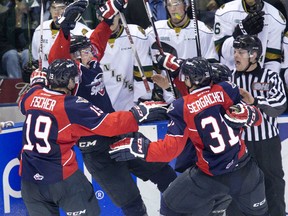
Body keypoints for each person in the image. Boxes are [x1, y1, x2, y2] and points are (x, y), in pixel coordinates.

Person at [48, 2, 178, 216]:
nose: (92, 53)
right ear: (73, 59)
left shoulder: (91, 59)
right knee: (133, 205)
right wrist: (65, 28)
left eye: (89, 50)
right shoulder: (71, 74)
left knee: (166, 175)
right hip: (98, 149)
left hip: (120, 133)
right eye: (84, 51)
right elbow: (56, 59)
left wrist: (108, 19)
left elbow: (98, 38)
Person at [109, 56, 269, 216]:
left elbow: (169, 151)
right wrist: (250, 112)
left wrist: (139, 148)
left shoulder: (181, 107)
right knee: (258, 213)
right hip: (244, 170)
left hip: (209, 176)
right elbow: (254, 117)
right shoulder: (228, 89)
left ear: (188, 79)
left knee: (169, 205)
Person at [231, 34, 287, 216]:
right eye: (235, 51)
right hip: (240, 144)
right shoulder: (230, 80)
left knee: (273, 183)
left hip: (267, 143)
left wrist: (255, 100)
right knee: (237, 185)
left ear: (254, 55)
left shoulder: (269, 76)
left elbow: (279, 105)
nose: (236, 56)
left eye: (241, 52)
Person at [146, 0, 218, 96]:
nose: (172, 9)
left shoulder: (203, 31)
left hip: (194, 93)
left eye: (176, 4)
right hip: (165, 91)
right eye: (169, 5)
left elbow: (211, 66)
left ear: (186, 5)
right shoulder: (153, 31)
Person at [213, 0, 286, 72]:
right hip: (229, 76)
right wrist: (241, 32)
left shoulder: (276, 18)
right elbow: (224, 54)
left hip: (259, 79)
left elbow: (272, 61)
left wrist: (266, 81)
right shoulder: (225, 12)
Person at [31, 0, 91, 69]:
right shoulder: (40, 29)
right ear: (49, 9)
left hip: (70, 77)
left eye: (61, 8)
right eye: (54, 8)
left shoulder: (82, 31)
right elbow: (36, 56)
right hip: (46, 77)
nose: (56, 12)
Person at [0, 0, 36, 78]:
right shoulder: (3, 17)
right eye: (25, 3)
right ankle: (17, 83)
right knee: (12, 55)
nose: (28, 7)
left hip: (25, 50)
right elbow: (1, 40)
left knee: (27, 54)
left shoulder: (31, 17)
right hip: (7, 51)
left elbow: (34, 38)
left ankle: (29, 81)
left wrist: (26, 48)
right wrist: (14, 50)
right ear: (17, 2)